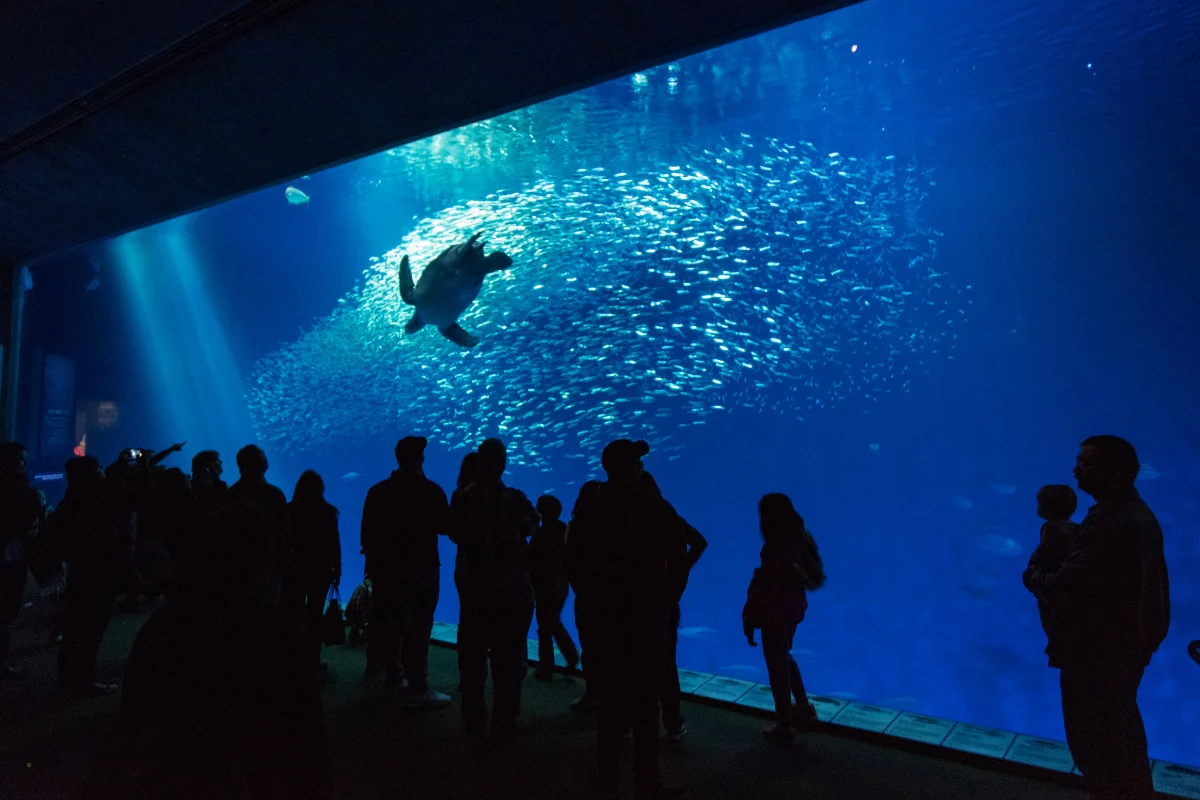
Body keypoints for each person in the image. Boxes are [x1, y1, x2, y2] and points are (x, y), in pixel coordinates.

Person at [86, 501, 332, 800]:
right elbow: (308, 724)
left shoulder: (164, 624)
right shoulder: (278, 630)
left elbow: (135, 710)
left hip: (180, 773)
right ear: (261, 561)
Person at [1023, 436, 1170, 800]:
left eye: (1086, 464)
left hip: (1096, 656)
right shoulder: (1139, 515)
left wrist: (1033, 573)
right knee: (1122, 740)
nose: (1076, 470)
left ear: (1115, 472)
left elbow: (1065, 585)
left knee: (1096, 748)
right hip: (1124, 651)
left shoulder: (1109, 524)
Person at [566, 439, 688, 799]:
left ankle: (607, 779)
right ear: (634, 468)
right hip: (646, 618)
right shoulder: (653, 506)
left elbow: (572, 560)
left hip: (605, 618)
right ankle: (647, 781)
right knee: (646, 701)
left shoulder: (591, 509)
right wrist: (667, 599)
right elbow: (679, 555)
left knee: (608, 700)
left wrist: (590, 599)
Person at [450, 438, 538, 738]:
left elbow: (453, 533)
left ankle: (473, 716)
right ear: (503, 463)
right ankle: (505, 718)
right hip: (506, 587)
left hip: (473, 585)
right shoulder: (512, 498)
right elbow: (533, 524)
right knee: (508, 654)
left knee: (473, 652)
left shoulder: (462, 497)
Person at [361, 436, 451, 705]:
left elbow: (367, 534)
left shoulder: (378, 491)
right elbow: (447, 528)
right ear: (420, 459)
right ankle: (418, 685)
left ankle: (393, 678)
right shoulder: (432, 491)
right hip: (423, 569)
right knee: (420, 626)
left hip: (389, 569)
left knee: (394, 623)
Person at [742, 493, 824, 745]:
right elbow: (814, 577)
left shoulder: (777, 547)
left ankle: (784, 726)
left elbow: (768, 587)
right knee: (784, 656)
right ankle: (803, 708)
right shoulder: (802, 537)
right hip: (793, 608)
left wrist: (751, 615)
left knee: (776, 668)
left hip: (775, 612)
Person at [52, 456, 123, 697]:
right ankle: (83, 681)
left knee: (74, 630)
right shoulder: (97, 503)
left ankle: (67, 680)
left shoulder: (71, 501)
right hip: (97, 575)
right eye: (99, 470)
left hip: (80, 574)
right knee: (91, 630)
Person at [644, 471, 707, 743]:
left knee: (634, 662)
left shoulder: (624, 516)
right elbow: (699, 542)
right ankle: (671, 723)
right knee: (665, 665)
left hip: (639, 603)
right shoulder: (665, 513)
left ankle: (633, 723)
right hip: (664, 601)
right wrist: (678, 574)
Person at [287, 471, 342, 670]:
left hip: (296, 567)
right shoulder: (328, 511)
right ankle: (313, 657)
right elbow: (335, 543)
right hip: (322, 569)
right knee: (315, 613)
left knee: (294, 612)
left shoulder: (290, 510)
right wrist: (338, 568)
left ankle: (294, 656)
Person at [0, 442, 45, 681]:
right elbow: (27, 524)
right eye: (20, 460)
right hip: (9, 557)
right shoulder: (19, 489)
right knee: (6, 610)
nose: (24, 464)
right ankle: (3, 664)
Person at [229, 445, 290, 605]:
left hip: (235, 567)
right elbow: (283, 532)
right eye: (262, 456)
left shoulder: (230, 493)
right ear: (259, 463)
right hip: (268, 566)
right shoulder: (273, 493)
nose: (265, 460)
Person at [530, 494, 578, 680]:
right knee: (553, 621)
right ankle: (570, 655)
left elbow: (532, 561)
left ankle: (546, 667)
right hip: (561, 586)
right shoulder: (565, 531)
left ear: (539, 512)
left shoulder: (540, 535)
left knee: (545, 626)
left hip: (543, 587)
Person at [1028, 485, 1078, 648]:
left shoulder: (1053, 530)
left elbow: (1044, 556)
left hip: (1054, 591)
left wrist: (1033, 573)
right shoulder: (1075, 528)